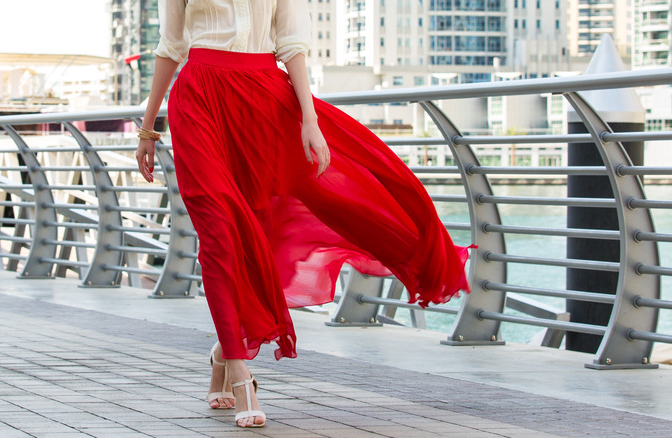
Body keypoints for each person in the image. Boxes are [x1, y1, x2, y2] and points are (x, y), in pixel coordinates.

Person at [135, 0, 473, 429]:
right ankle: (241, 374)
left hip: (260, 101)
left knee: (260, 232)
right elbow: (171, 46)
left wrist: (309, 119)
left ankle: (225, 349)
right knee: (219, 233)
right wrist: (148, 130)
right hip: (199, 100)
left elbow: (291, 44)